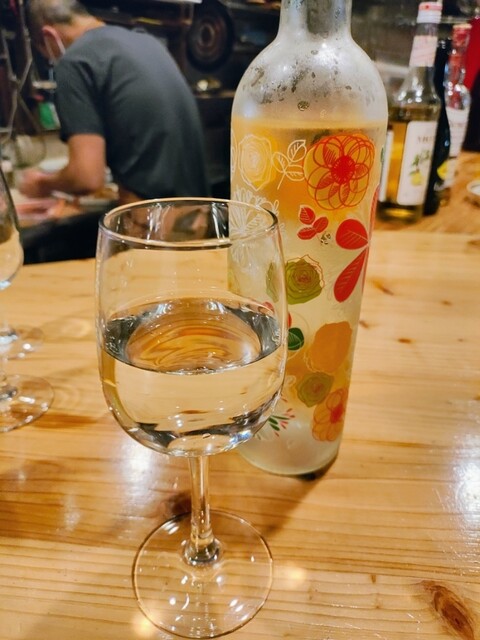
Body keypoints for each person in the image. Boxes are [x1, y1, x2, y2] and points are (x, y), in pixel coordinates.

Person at [19, 0, 210, 203]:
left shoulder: (75, 61)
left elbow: (87, 177)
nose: (52, 60)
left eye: (47, 55)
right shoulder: (146, 41)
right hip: (201, 209)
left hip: (153, 215)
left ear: (49, 36)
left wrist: (42, 184)